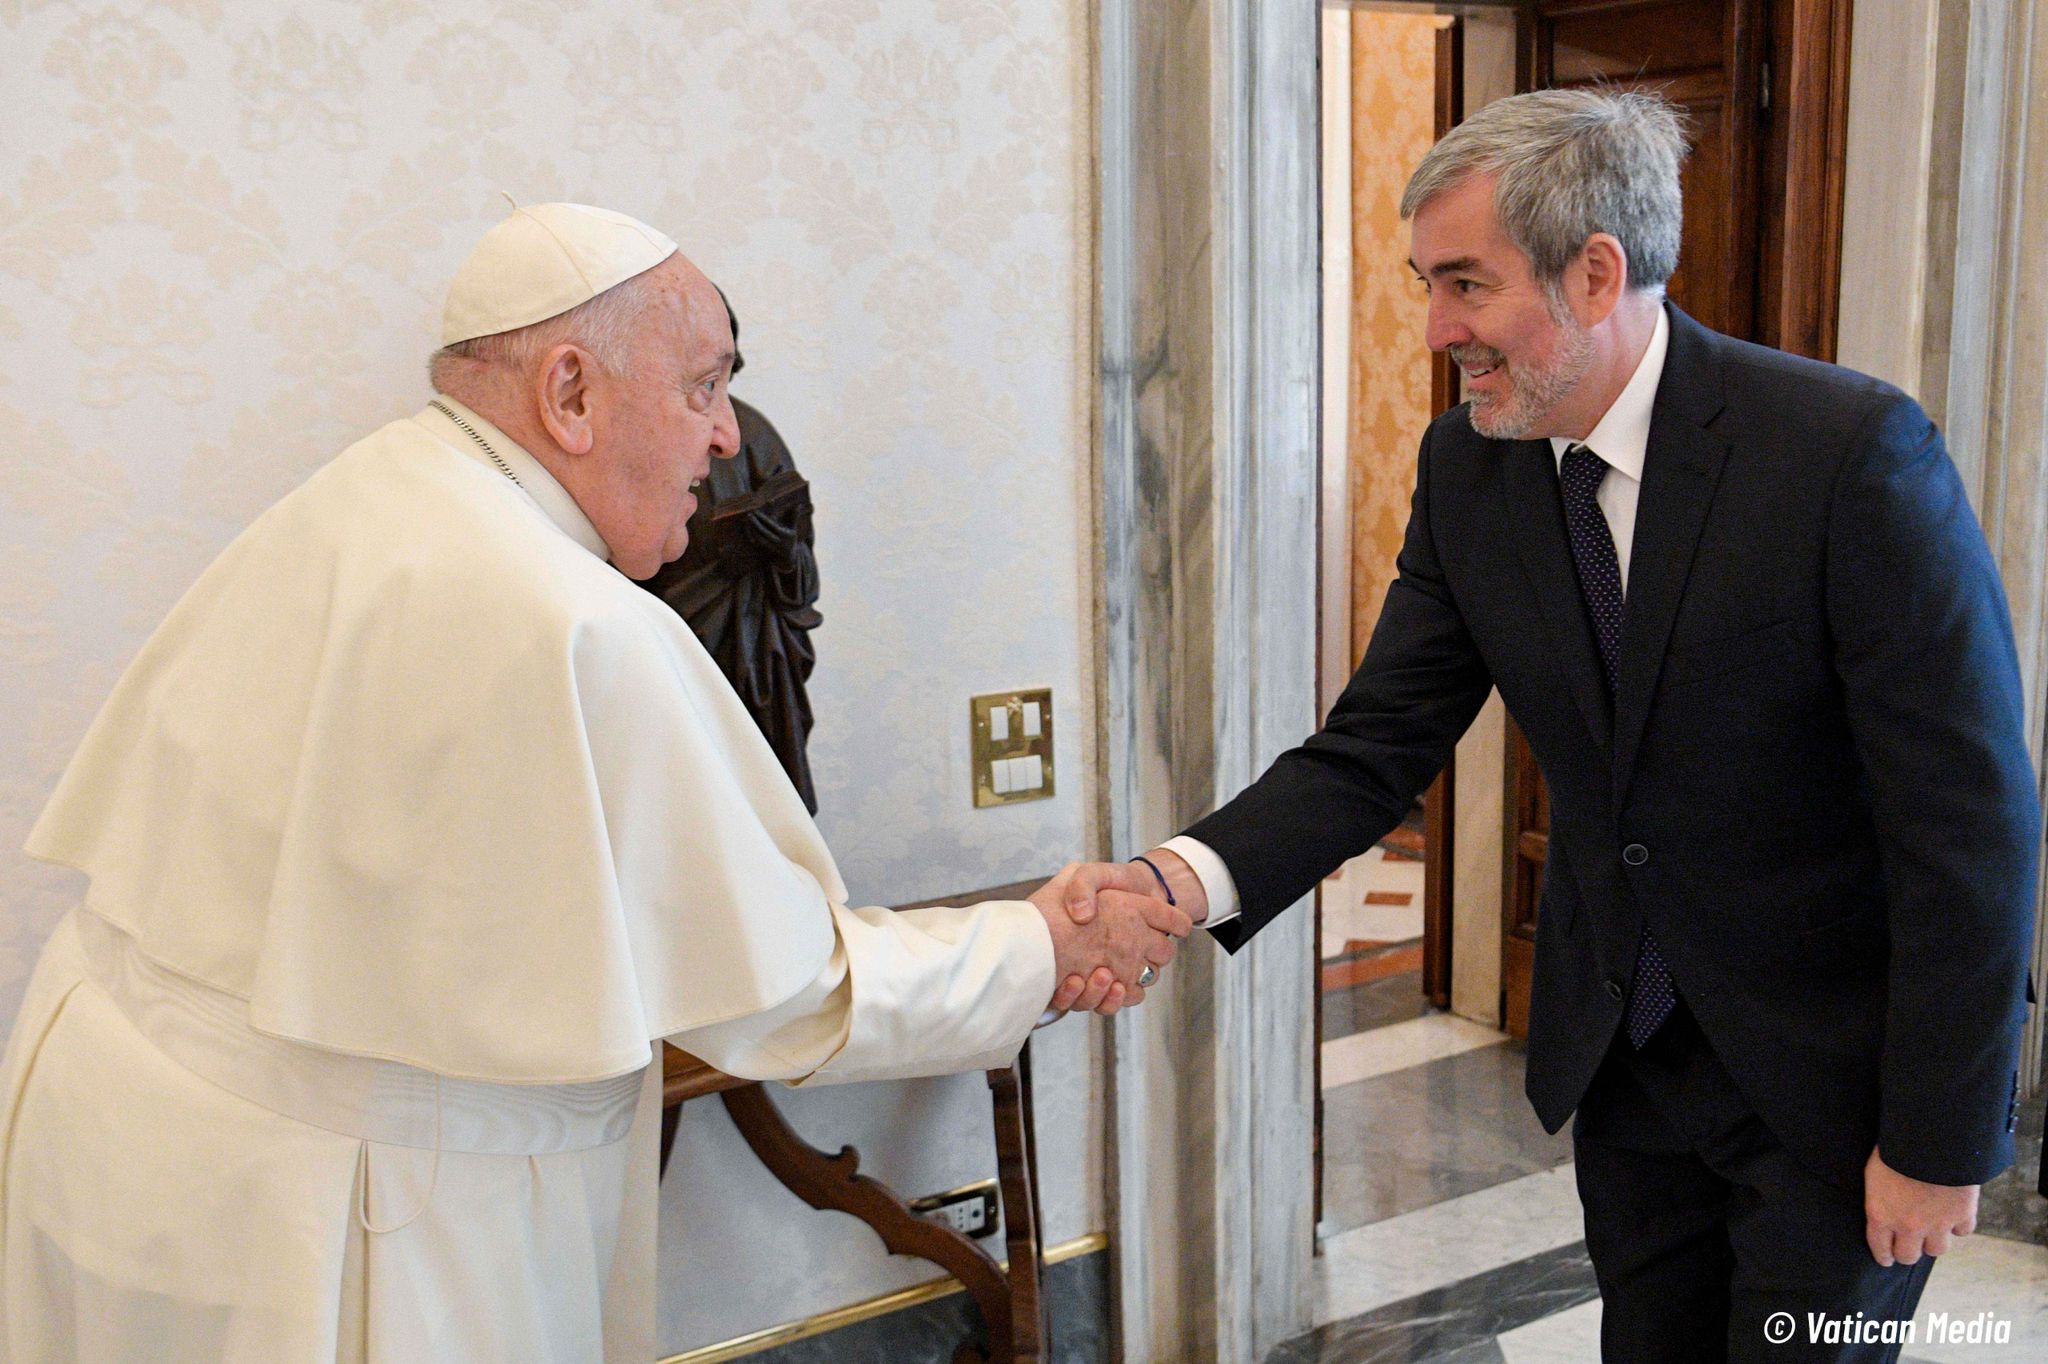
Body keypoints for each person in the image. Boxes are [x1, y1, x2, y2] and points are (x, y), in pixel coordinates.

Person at [0, 202, 1185, 1363]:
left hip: (114, 1133)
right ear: (568, 392)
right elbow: (788, 992)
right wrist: (1037, 944)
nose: (725, 436)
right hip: (332, 1213)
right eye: (701, 386)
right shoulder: (569, 620)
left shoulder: (366, 490)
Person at [1063, 90, 2040, 1361]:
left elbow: (1965, 823)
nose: (1434, 330)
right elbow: (1371, 747)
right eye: (1424, 284)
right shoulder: (1468, 470)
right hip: (1624, 1070)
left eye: (1464, 285)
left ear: (1593, 271)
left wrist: (1937, 1137)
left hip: (1829, 1091)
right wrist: (1168, 883)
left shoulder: (1844, 452)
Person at [640, 295, 824, 812]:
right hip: (674, 650)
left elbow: (803, 573)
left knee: (763, 803)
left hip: (757, 654)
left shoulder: (756, 435)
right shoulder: (647, 435)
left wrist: (782, 551)